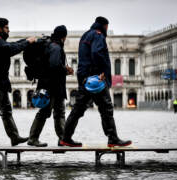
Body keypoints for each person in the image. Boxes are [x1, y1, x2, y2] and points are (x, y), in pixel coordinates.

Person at [60, 17, 132, 147]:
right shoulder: (98, 35)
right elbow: (97, 52)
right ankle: (113, 138)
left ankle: (65, 138)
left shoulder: (85, 35)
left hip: (84, 77)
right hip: (95, 79)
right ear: (104, 26)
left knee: (78, 109)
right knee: (106, 108)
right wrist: (102, 72)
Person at [0, 18, 36, 147]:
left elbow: (13, 44)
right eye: (6, 27)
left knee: (6, 111)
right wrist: (27, 42)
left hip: (2, 82)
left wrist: (26, 40)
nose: (9, 30)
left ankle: (14, 137)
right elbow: (11, 49)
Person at [27, 25, 74, 147]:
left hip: (52, 86)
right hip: (52, 86)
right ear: (64, 37)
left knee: (59, 112)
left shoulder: (50, 45)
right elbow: (54, 65)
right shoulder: (56, 47)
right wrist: (66, 70)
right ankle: (33, 138)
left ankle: (63, 139)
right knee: (45, 113)